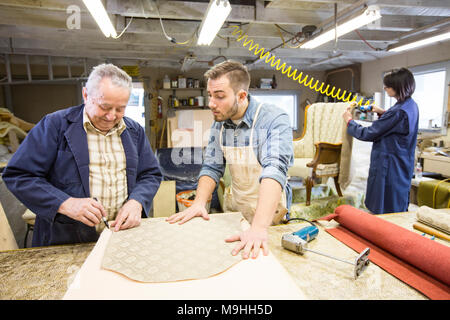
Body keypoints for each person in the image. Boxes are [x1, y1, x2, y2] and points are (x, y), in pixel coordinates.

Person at [2, 63, 162, 246]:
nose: (111, 116)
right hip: (65, 240)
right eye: (105, 107)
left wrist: (137, 201)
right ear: (86, 95)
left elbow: (150, 174)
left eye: (120, 109)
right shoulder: (55, 125)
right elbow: (19, 175)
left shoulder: (134, 131)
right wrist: (65, 203)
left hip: (120, 237)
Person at [167, 60, 293, 259]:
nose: (210, 104)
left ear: (241, 95)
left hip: (269, 217)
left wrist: (259, 227)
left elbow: (274, 170)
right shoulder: (220, 124)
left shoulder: (274, 120)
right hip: (235, 211)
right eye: (209, 95)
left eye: (219, 96)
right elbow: (212, 166)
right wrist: (199, 202)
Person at [342, 67, 418, 214]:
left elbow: (369, 133)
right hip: (402, 162)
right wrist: (383, 112)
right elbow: (398, 125)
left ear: (398, 87)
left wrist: (349, 121)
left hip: (389, 164)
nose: (385, 88)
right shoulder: (410, 106)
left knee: (385, 204)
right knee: (397, 199)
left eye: (388, 86)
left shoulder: (398, 112)